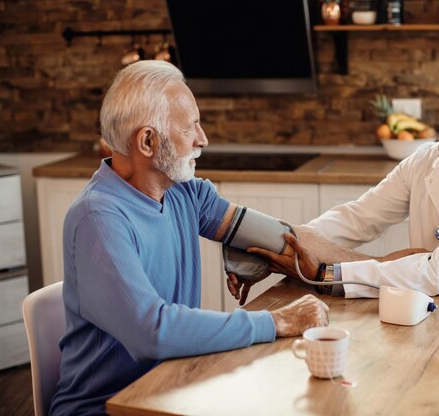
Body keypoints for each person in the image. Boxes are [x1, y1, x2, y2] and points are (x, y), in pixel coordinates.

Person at [49, 60, 329, 416]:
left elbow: (282, 238)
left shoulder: (186, 194)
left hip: (173, 388)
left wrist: (376, 269)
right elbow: (153, 331)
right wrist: (278, 321)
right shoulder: (98, 217)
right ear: (148, 141)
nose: (203, 139)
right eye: (191, 127)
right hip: (105, 408)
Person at [230, 77, 439, 302]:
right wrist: (284, 249)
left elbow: (434, 272)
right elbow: (358, 218)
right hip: (432, 311)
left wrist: (327, 274)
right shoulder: (427, 160)